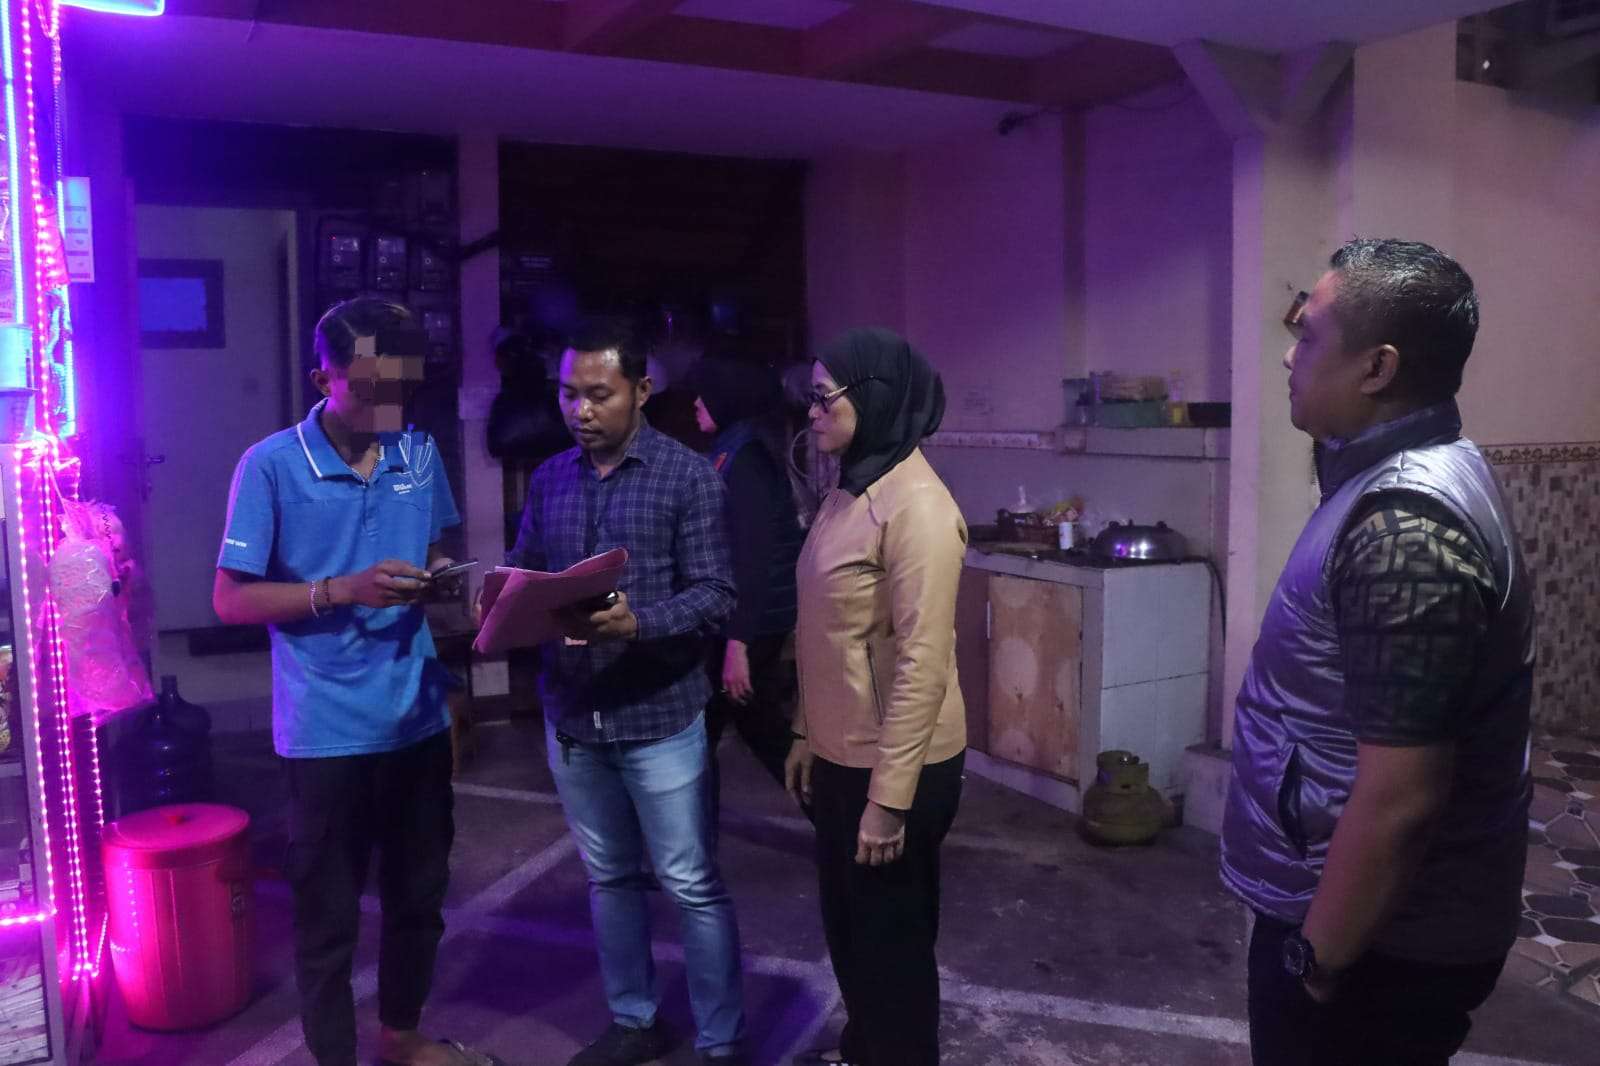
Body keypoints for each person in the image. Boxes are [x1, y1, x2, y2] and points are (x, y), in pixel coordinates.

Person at [1220, 239, 1534, 1065]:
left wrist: (1315, 963)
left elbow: (1401, 799)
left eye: (1309, 335)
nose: (1288, 355)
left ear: (1377, 367)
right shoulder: (1395, 480)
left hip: (1379, 946)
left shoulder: (1405, 529)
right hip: (1365, 919)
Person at [214, 298, 499, 1066]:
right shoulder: (271, 465)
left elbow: (432, 553)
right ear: (324, 379)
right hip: (325, 731)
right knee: (328, 919)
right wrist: (341, 589)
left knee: (419, 899)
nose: (388, 408)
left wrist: (451, 581)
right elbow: (230, 599)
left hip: (415, 718)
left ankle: (400, 1038)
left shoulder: (418, 452)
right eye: (370, 390)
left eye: (400, 390)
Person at [504, 319, 745, 1066]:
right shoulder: (550, 479)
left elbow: (716, 593)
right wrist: (504, 605)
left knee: (689, 883)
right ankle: (634, 1020)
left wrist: (638, 623)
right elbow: (525, 571)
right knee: (609, 878)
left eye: (598, 394)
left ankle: (720, 1042)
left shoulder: (687, 477)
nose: (580, 410)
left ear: (641, 390)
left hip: (660, 717)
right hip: (576, 717)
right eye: (568, 393)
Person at [784, 327, 968, 1066]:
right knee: (852, 931)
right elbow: (823, 628)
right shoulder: (851, 488)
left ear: (876, 398)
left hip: (898, 764)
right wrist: (806, 730)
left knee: (890, 945)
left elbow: (924, 662)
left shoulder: (919, 507)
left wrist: (889, 800)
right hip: (843, 751)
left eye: (824, 398)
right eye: (811, 397)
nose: (812, 413)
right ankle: (867, 1050)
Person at [686, 355, 805, 807]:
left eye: (705, 394)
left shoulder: (747, 460)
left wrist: (738, 644)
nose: (696, 402)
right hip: (744, 620)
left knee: (739, 726)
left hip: (749, 622)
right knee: (738, 725)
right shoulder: (733, 448)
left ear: (727, 398)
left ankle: (840, 822)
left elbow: (752, 556)